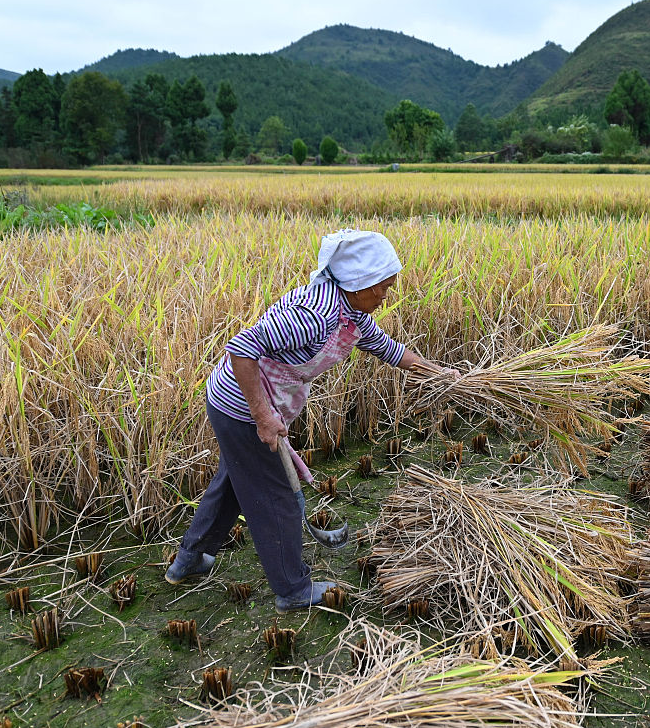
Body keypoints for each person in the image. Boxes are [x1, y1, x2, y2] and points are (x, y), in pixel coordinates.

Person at [165, 228, 453, 613]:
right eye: (383, 287)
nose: (386, 295)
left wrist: (452, 379)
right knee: (276, 498)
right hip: (241, 407)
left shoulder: (351, 312)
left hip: (250, 405)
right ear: (359, 282)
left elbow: (393, 351)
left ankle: (188, 561)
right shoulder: (315, 316)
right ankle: (292, 590)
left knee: (234, 482)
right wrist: (263, 416)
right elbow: (241, 348)